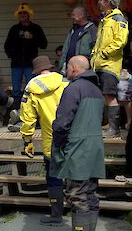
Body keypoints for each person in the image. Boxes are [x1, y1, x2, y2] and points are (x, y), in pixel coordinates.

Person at [50, 56, 105, 231]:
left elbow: (62, 122)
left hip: (77, 149)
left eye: (67, 68)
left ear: (74, 68)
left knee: (77, 196)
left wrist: (58, 145)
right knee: (90, 194)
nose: (66, 71)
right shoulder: (97, 90)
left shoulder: (73, 88)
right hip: (95, 149)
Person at [20, 56, 68, 225]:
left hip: (50, 139)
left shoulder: (31, 87)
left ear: (36, 71)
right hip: (72, 137)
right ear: (49, 67)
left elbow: (28, 118)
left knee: (53, 177)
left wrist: (28, 141)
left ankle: (56, 215)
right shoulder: (65, 81)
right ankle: (78, 212)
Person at [91, 0, 129, 138]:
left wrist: (105, 53)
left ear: (107, 2)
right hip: (99, 64)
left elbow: (120, 41)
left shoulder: (118, 19)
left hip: (110, 65)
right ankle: (109, 126)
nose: (99, 2)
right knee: (104, 96)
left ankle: (114, 129)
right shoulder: (105, 19)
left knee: (109, 95)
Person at [4, 2, 48, 109]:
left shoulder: (36, 28)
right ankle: (16, 111)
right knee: (16, 90)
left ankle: (31, 111)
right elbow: (7, 46)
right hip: (16, 64)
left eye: (25, 13)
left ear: (29, 14)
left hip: (31, 64)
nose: (22, 15)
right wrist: (12, 55)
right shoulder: (14, 29)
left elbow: (44, 44)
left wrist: (33, 37)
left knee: (32, 88)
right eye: (20, 13)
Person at [59, 6, 97, 75]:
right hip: (69, 70)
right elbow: (66, 48)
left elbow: (95, 49)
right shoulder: (73, 29)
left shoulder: (92, 30)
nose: (72, 17)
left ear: (81, 15)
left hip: (82, 71)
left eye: (73, 15)